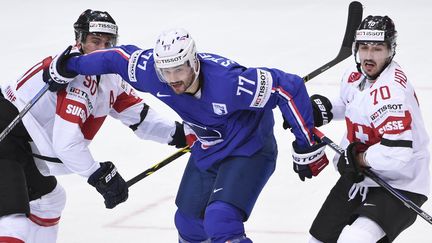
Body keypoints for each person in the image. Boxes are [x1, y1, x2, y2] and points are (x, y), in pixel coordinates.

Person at [46, 28, 330, 243]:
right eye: (165, 70)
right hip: (208, 148)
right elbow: (115, 58)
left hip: (249, 149)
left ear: (194, 63)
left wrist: (306, 143)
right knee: (188, 222)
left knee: (221, 220)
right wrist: (69, 66)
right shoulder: (150, 71)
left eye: (178, 69)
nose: (172, 79)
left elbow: (288, 87)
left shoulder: (229, 82)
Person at [0, 10, 185, 243]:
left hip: (21, 145)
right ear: (79, 40)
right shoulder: (74, 73)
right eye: (95, 41)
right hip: (5, 135)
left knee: (50, 201)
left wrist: (182, 134)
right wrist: (98, 175)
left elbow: (141, 117)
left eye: (108, 43)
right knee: (12, 222)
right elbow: (66, 143)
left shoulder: (111, 78)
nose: (102, 49)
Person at [306, 15, 430, 243]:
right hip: (361, 176)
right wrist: (324, 109)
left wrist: (360, 158)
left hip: (400, 183)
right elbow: (352, 105)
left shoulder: (390, 92)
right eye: (364, 48)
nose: (369, 56)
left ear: (391, 51)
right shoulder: (355, 77)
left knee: (354, 240)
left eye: (377, 49)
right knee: (318, 240)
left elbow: (397, 153)